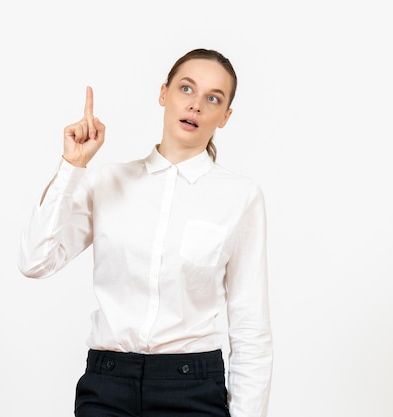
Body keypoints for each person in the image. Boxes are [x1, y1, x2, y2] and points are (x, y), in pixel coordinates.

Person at [18, 48, 273, 417]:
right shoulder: (107, 182)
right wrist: (72, 167)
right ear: (163, 94)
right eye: (187, 89)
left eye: (212, 98)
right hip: (107, 386)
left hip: (193, 391)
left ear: (225, 117)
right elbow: (35, 261)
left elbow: (251, 326)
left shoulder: (240, 197)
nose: (196, 105)